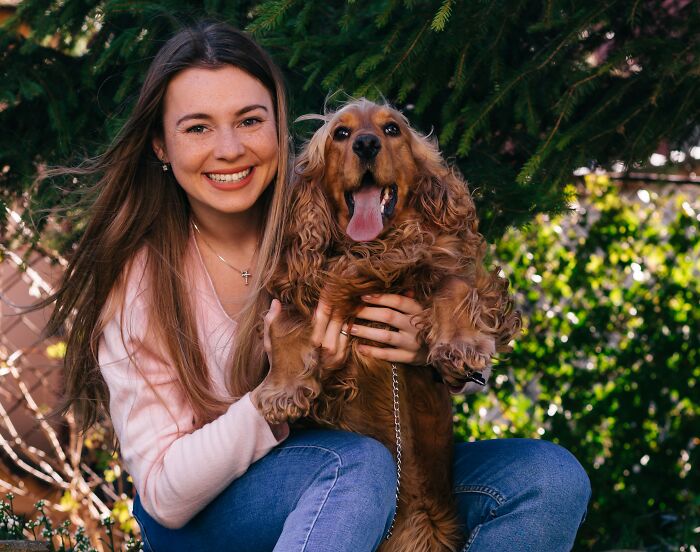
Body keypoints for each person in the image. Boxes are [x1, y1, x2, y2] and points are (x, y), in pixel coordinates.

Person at [44, 20, 591, 552]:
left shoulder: (341, 218)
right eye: (197, 127)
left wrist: (433, 346)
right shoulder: (141, 282)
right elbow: (163, 495)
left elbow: (451, 306)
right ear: (161, 146)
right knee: (353, 467)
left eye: (250, 121)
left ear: (280, 128)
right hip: (218, 513)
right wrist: (270, 400)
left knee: (548, 476)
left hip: (375, 478)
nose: (230, 148)